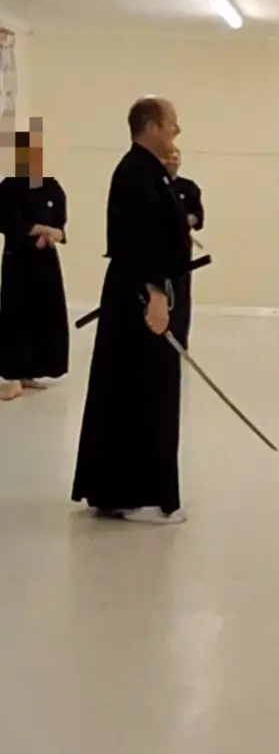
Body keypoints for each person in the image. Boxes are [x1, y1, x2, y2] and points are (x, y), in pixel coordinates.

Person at [72, 96, 190, 524]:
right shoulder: (136, 173)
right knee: (142, 390)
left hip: (140, 290)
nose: (177, 130)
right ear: (151, 127)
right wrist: (156, 294)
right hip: (139, 296)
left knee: (132, 388)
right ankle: (135, 492)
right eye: (172, 123)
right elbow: (140, 240)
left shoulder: (150, 172)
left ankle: (118, 489)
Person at [0, 120, 69, 401]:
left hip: (46, 261)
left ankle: (33, 371)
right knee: (16, 315)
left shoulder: (51, 187)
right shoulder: (8, 187)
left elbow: (61, 227)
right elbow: (9, 221)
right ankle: (13, 376)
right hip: (18, 260)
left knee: (45, 314)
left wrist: (51, 234)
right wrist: (41, 230)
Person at [165, 145, 204, 350]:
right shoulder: (154, 185)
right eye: (168, 157)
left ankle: (179, 340)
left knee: (180, 293)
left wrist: (183, 221)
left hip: (180, 249)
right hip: (157, 248)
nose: (172, 161)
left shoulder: (188, 188)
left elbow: (197, 215)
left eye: (175, 158)